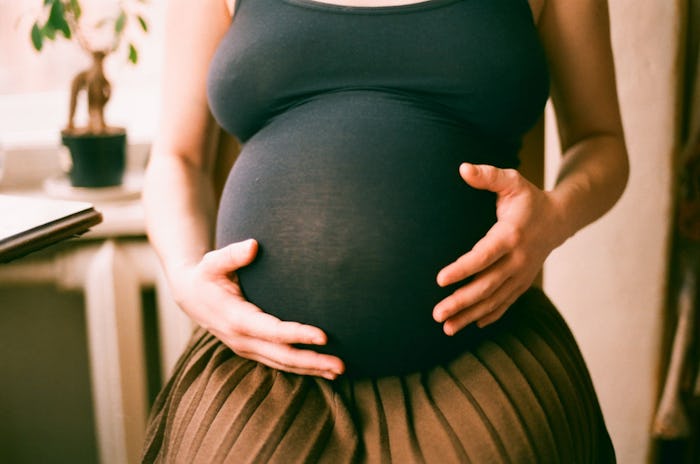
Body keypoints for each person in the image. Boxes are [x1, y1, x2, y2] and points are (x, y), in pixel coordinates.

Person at [141, 0, 629, 462]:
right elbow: (175, 159)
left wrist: (555, 216)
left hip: (482, 342)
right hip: (261, 361)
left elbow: (600, 142)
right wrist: (186, 278)